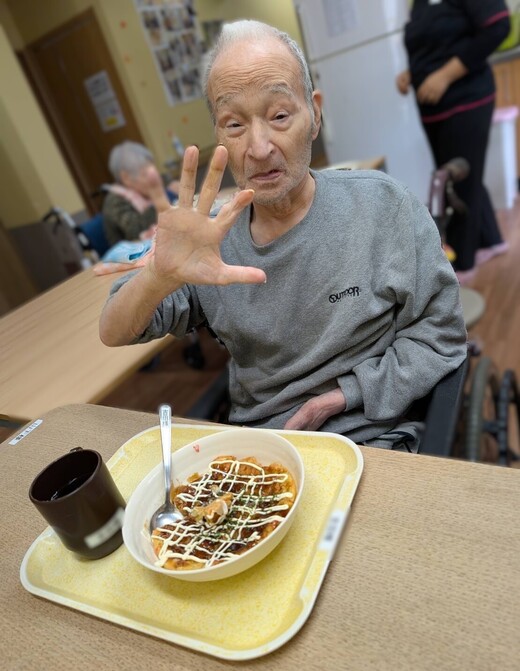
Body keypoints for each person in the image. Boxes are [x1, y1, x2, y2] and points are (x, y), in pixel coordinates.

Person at [99, 20, 467, 450]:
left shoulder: (383, 207)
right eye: (234, 124)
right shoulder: (210, 236)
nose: (259, 148)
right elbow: (113, 331)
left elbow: (440, 333)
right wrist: (158, 277)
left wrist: (343, 396)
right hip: (263, 453)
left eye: (279, 116)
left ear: (315, 113)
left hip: (374, 438)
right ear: (218, 135)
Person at [396, 0, 511, 284]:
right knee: (462, 177)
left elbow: (498, 26)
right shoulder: (419, 3)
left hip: (466, 100)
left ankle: (461, 264)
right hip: (434, 110)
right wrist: (413, 73)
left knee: (456, 184)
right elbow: (433, 44)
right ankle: (491, 240)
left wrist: (444, 76)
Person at [102, 141, 179, 248]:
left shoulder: (152, 181)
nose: (153, 178)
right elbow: (135, 230)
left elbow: (165, 181)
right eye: (144, 174)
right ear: (126, 178)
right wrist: (163, 196)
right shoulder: (115, 201)